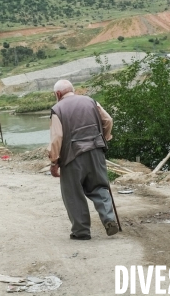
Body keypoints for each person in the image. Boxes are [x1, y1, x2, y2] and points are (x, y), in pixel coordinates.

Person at [47, 79, 118, 240]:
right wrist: (104, 138)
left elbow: (57, 137)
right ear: (73, 90)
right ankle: (109, 219)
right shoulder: (91, 101)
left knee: (73, 193)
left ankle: (81, 231)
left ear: (58, 94)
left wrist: (54, 162)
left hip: (72, 156)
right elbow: (108, 120)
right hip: (96, 151)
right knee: (99, 187)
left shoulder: (57, 109)